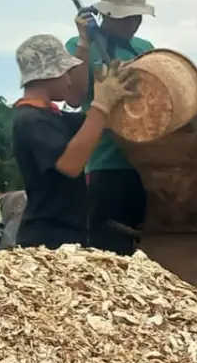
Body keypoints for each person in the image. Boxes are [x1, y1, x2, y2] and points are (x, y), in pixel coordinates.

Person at [11, 34, 138, 249]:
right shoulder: (30, 120)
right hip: (46, 240)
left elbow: (96, 125)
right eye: (66, 74)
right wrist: (101, 103)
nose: (70, 83)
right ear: (49, 76)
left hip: (68, 235)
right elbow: (70, 165)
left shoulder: (54, 117)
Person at [65, 0, 155, 255]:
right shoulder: (79, 47)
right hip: (106, 163)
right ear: (106, 15)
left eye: (137, 17)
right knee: (110, 250)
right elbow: (73, 97)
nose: (133, 24)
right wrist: (83, 42)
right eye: (126, 18)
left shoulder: (145, 49)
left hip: (148, 163)